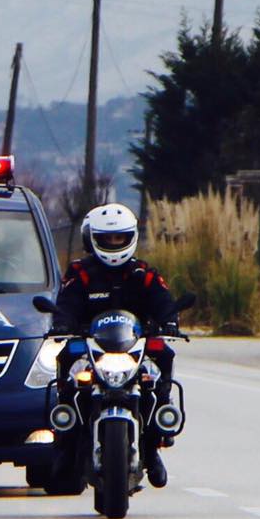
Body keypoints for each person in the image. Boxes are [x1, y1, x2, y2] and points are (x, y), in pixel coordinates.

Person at [51, 203, 182, 488]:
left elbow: (162, 300)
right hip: (92, 346)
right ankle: (65, 432)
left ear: (130, 237)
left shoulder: (143, 273)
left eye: (119, 238)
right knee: (65, 357)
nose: (113, 243)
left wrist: (170, 319)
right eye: (107, 238)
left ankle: (157, 435)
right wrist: (62, 322)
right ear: (92, 239)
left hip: (133, 347)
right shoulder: (81, 273)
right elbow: (67, 302)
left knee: (163, 354)